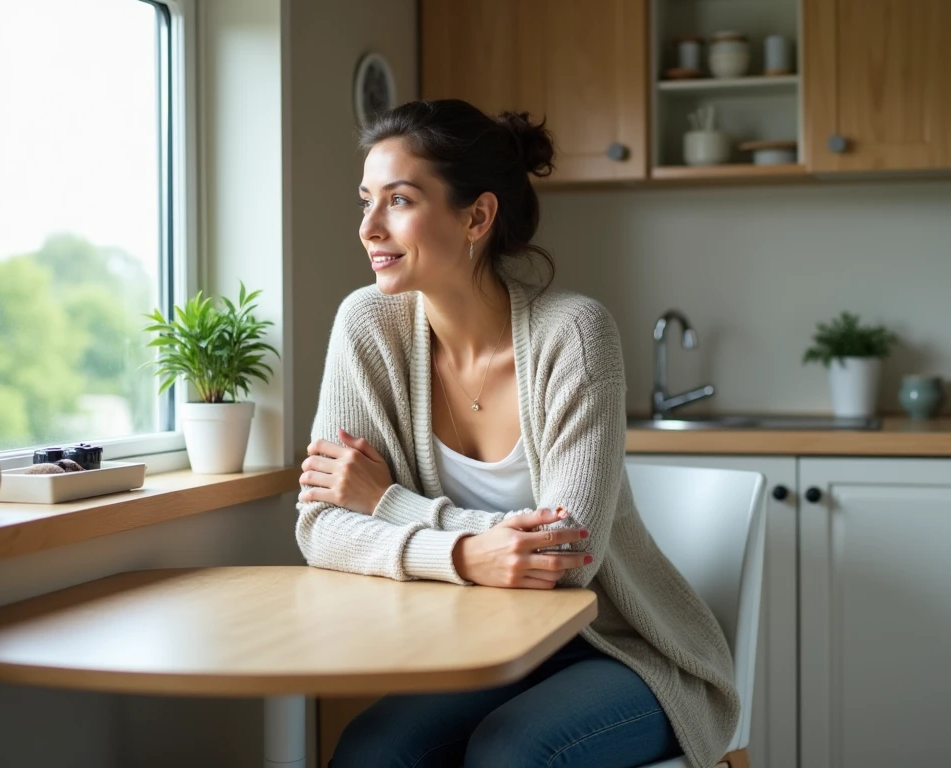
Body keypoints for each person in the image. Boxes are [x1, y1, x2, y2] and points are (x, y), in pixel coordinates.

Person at [296, 98, 738, 768]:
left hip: (618, 647)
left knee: (509, 752)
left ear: (476, 216)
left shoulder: (575, 334)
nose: (369, 228)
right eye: (366, 202)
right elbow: (320, 526)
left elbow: (567, 563)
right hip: (479, 647)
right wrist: (473, 554)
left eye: (400, 201)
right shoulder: (367, 324)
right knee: (370, 750)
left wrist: (388, 506)